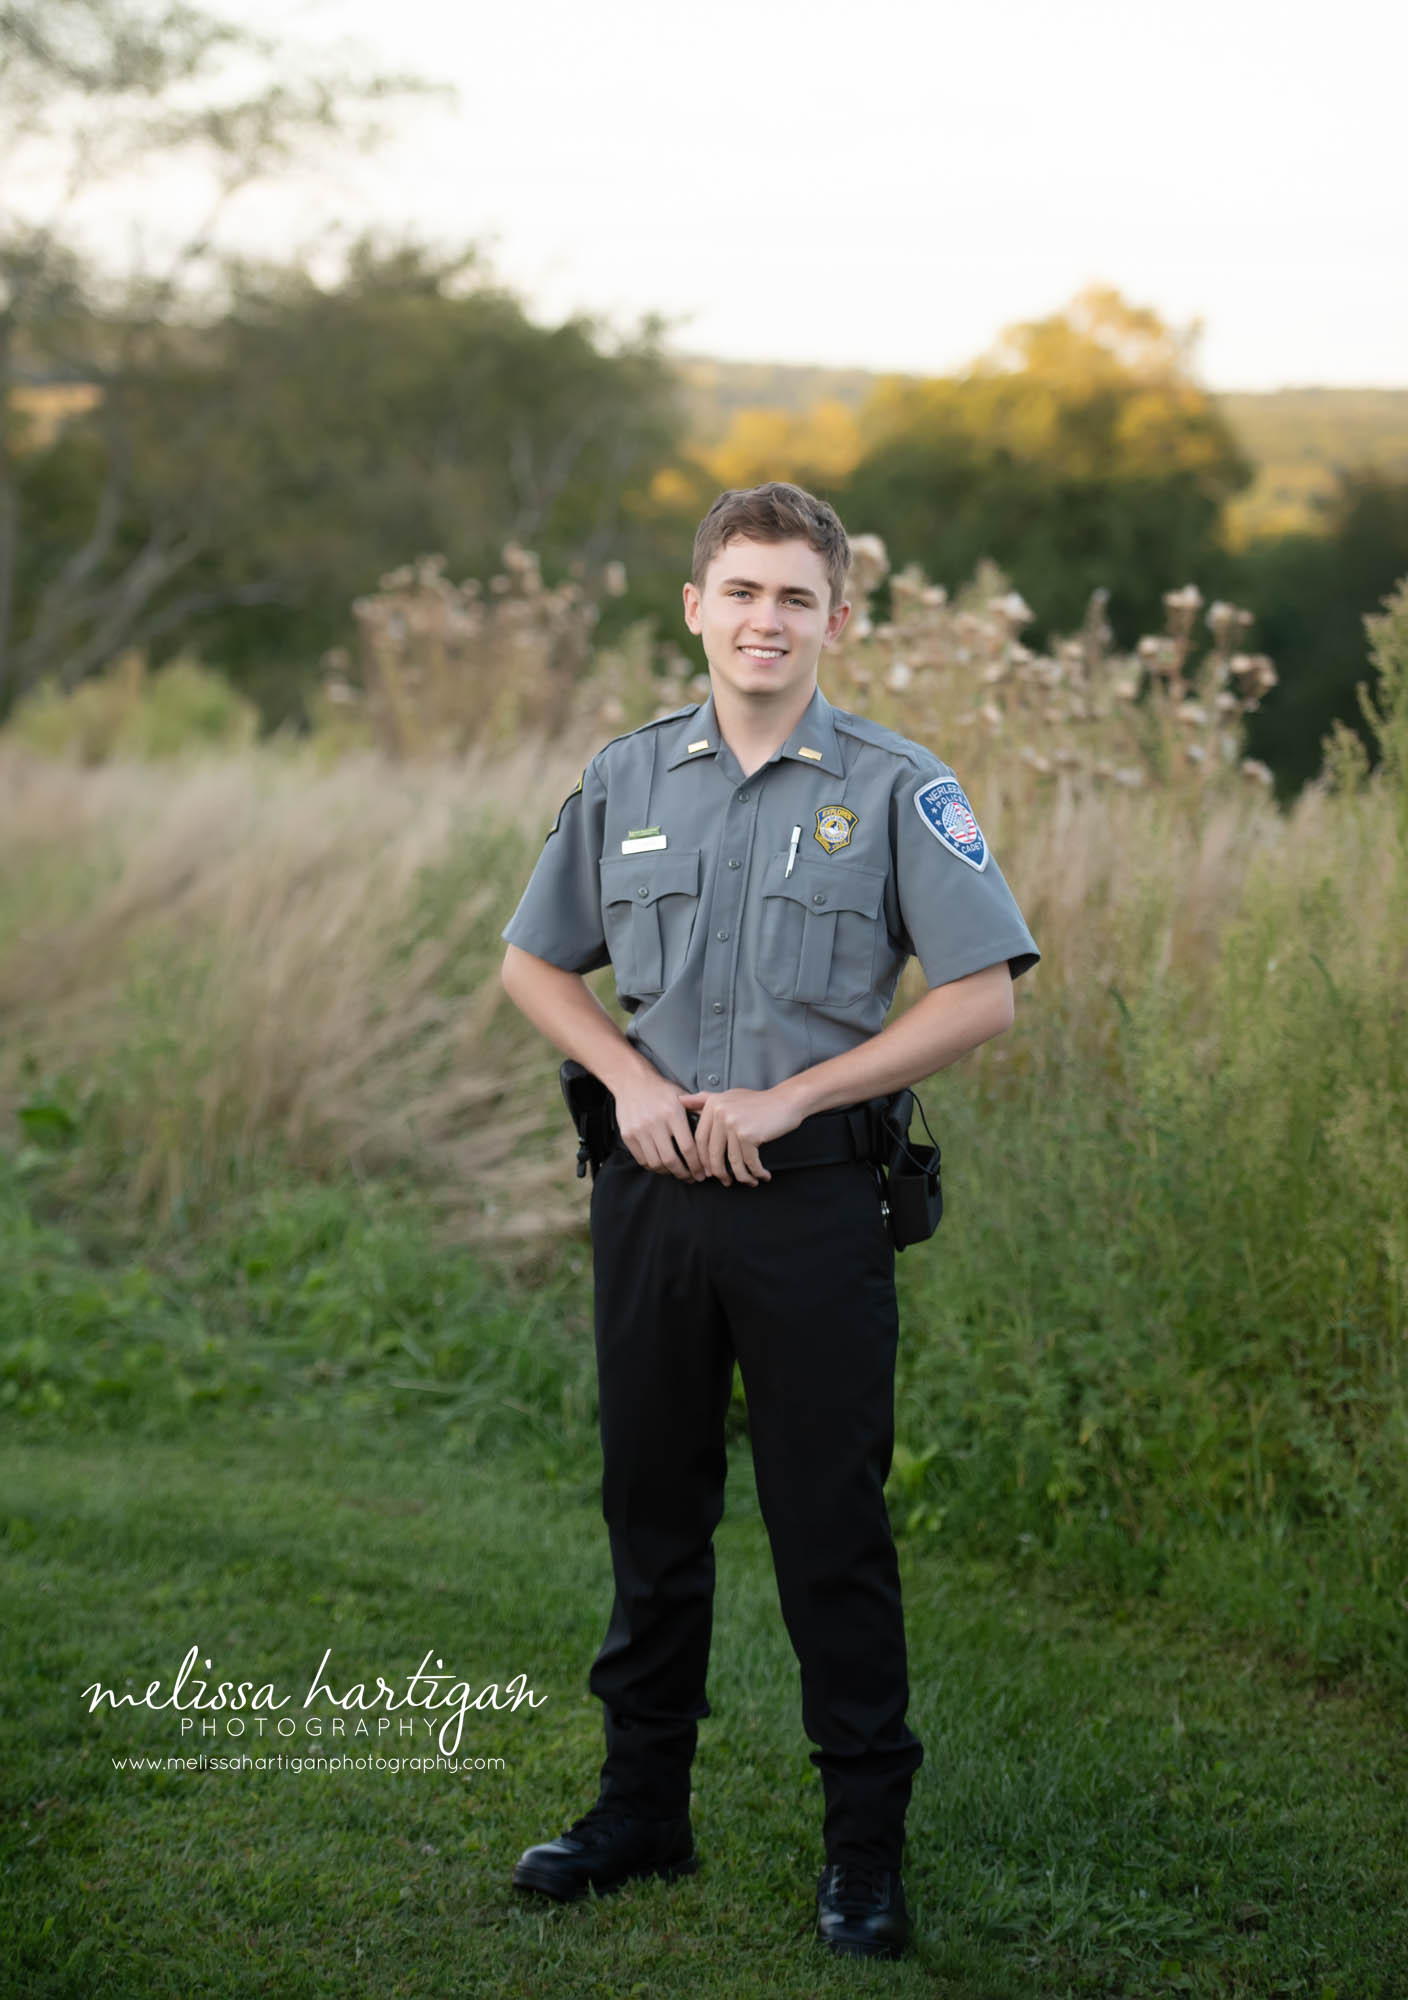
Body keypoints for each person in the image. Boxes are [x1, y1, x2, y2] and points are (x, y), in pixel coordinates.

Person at [497, 481, 1039, 1962]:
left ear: (836, 620)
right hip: (651, 1203)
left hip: (810, 1209)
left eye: (796, 597)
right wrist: (618, 1081)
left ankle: (863, 1855)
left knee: (830, 1529)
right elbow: (535, 965)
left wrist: (800, 1098)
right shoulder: (626, 780)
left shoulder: (896, 783)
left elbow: (981, 993)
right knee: (652, 1514)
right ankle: (637, 1812)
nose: (764, 619)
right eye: (740, 590)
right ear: (696, 606)